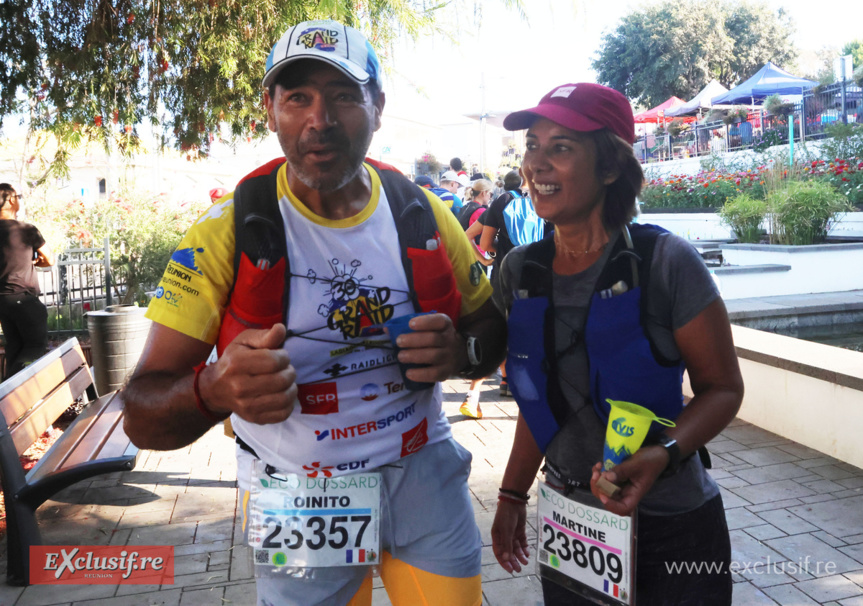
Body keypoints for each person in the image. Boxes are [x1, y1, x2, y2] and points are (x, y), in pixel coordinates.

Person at [122, 19, 506, 606]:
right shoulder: (223, 232)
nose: (319, 120)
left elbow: (492, 328)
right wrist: (213, 389)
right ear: (270, 110)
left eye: (344, 96)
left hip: (423, 476)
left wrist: (463, 353)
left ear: (378, 107)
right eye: (297, 96)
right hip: (297, 492)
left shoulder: (421, 212)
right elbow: (141, 412)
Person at [489, 83, 744, 605]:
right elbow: (539, 401)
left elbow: (723, 389)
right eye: (532, 146)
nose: (536, 164)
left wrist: (664, 454)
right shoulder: (520, 271)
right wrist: (513, 493)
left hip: (673, 525)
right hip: (570, 526)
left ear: (610, 167)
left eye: (561, 147)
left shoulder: (665, 261)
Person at [477, 169, 531, 398]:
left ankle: (506, 381)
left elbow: (485, 241)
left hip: (504, 271)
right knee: (530, 326)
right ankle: (529, 380)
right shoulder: (543, 199)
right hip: (535, 271)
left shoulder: (502, 200)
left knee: (503, 325)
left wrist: (494, 253)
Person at [0, 184, 54, 380]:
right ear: (12, 200)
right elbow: (49, 259)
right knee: (35, 347)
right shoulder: (26, 230)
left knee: (14, 349)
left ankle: (7, 403)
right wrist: (36, 260)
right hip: (25, 299)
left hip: (3, 302)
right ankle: (14, 390)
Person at [456, 178, 494, 419]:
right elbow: (475, 239)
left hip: (462, 268)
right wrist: (483, 260)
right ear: (486, 193)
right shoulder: (482, 211)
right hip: (479, 270)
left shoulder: (464, 207)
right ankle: (473, 394)